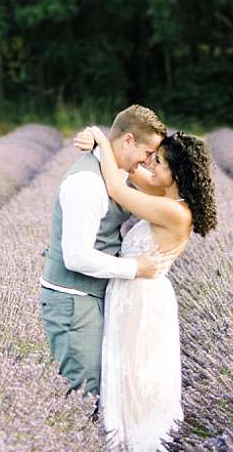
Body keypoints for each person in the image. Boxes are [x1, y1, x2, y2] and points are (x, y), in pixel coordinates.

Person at [70, 115, 218, 452]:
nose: (152, 165)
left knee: (139, 391)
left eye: (160, 162)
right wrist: (118, 149)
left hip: (143, 305)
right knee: (123, 385)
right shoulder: (165, 198)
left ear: (177, 172)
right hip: (131, 296)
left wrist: (101, 137)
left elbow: (118, 185)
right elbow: (130, 171)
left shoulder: (177, 213)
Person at [39, 104, 175, 406]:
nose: (148, 162)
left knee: (102, 390)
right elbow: (76, 257)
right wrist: (135, 268)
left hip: (91, 298)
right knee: (83, 395)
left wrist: (99, 138)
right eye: (147, 153)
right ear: (128, 140)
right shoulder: (86, 183)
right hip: (74, 301)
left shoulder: (116, 169)